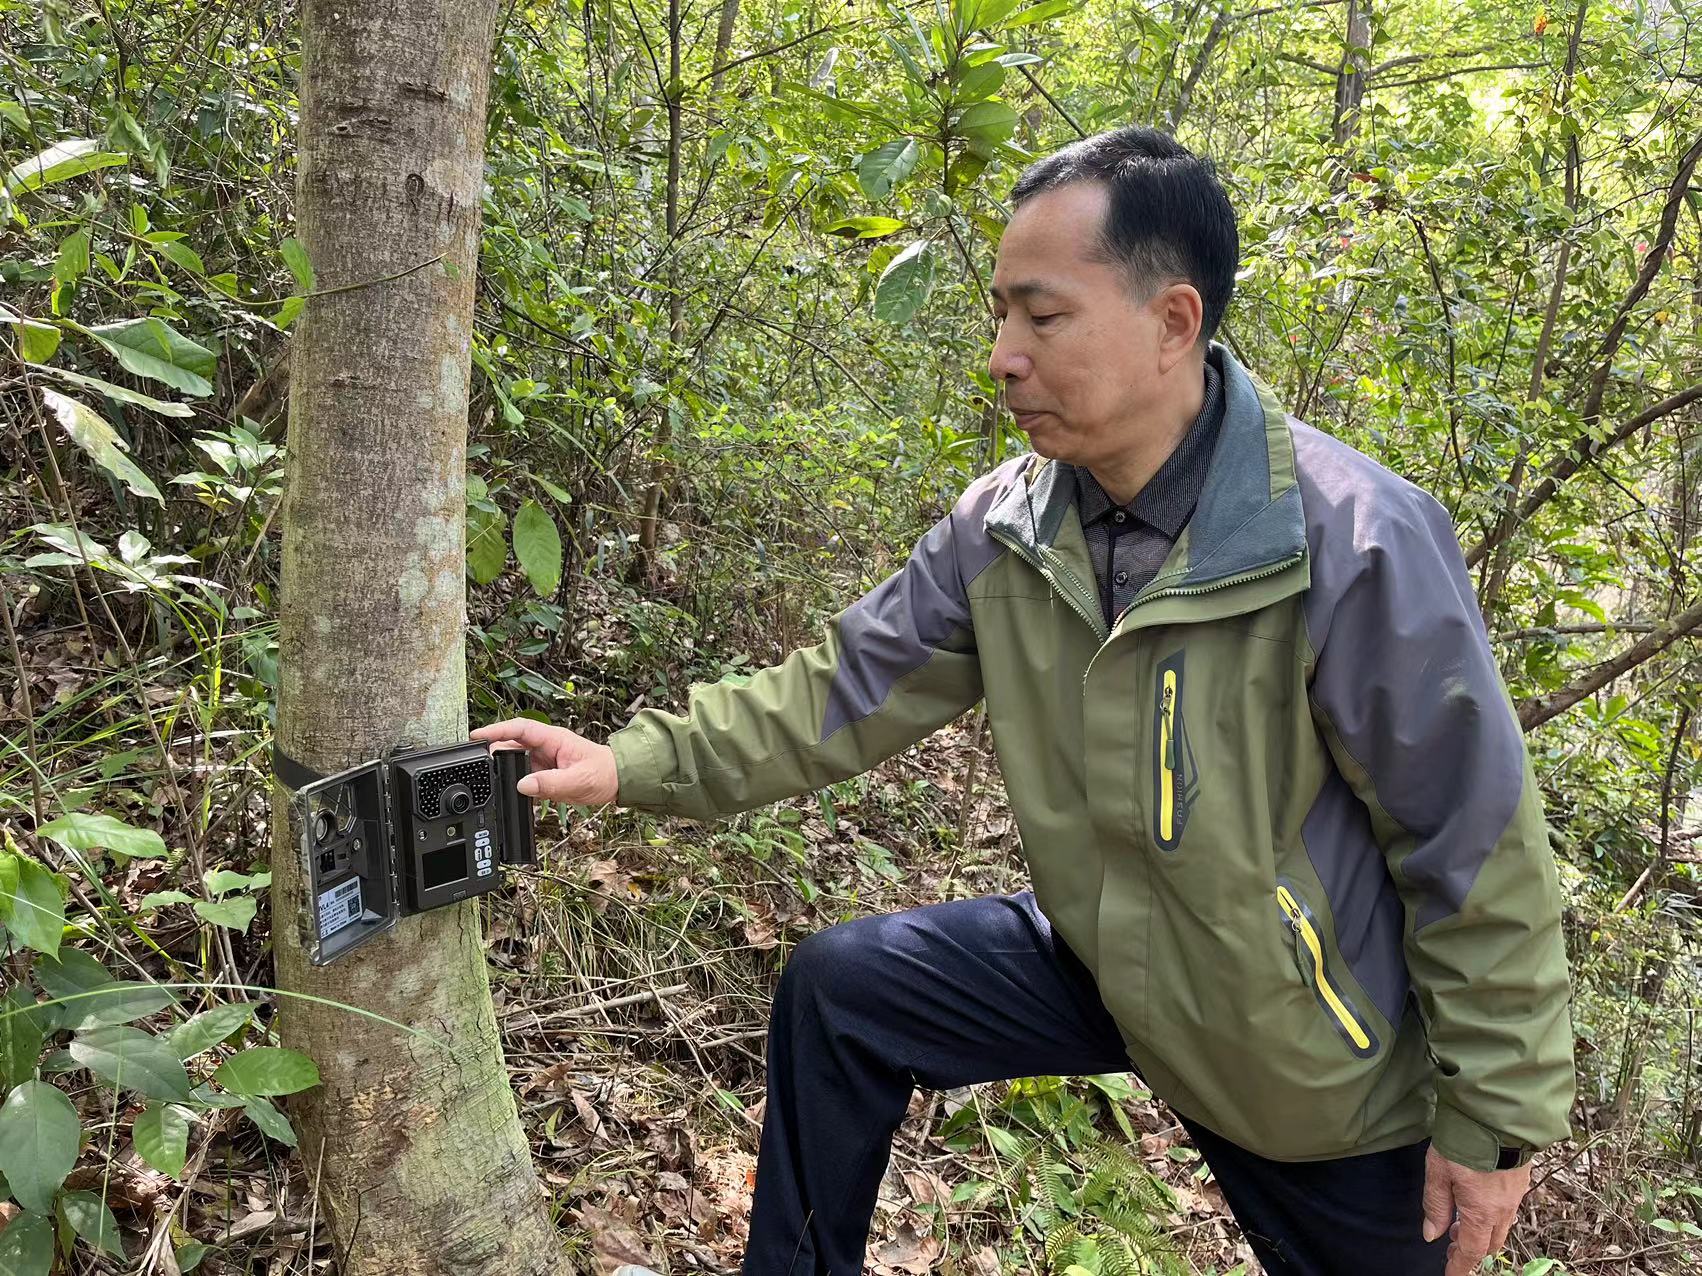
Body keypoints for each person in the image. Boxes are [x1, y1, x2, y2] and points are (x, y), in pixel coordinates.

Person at [476, 127, 1574, 1276]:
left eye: (1040, 318)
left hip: (1312, 1065)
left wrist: (1494, 1117)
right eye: (999, 315)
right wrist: (628, 765)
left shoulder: (1349, 537)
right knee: (843, 992)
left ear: (1173, 322)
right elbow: (841, 689)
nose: (1001, 355)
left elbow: (1473, 838)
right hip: (1115, 968)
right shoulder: (1010, 524)